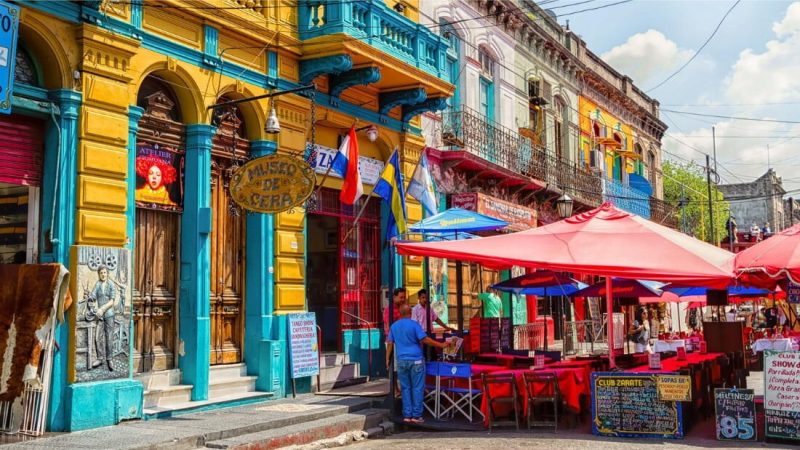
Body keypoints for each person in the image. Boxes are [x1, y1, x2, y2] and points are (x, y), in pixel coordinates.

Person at [386, 304, 450, 424]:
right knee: (417, 388)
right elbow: (425, 339)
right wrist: (441, 345)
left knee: (405, 388)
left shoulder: (394, 326)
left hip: (401, 361)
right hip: (416, 360)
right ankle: (416, 415)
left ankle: (407, 415)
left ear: (400, 313)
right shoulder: (414, 325)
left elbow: (390, 343)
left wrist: (387, 359)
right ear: (410, 312)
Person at [86, 265, 118, 371]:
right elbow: (93, 296)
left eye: (105, 272)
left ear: (107, 273)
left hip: (109, 315)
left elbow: (112, 301)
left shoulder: (111, 285)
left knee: (109, 337)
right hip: (99, 316)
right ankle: (100, 358)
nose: (103, 274)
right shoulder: (98, 285)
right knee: (97, 337)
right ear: (99, 274)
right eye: (101, 273)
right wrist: (90, 297)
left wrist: (102, 309)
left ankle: (109, 359)